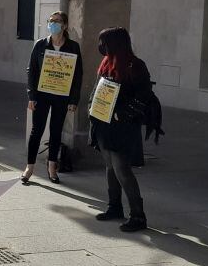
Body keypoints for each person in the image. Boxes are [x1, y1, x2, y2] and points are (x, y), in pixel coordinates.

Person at [90, 27, 151, 232]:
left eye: (104, 42)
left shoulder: (136, 66)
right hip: (104, 124)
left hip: (122, 126)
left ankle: (138, 216)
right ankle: (114, 207)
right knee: (109, 166)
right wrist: (93, 107)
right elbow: (97, 89)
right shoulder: (106, 63)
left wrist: (123, 113)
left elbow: (144, 97)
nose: (101, 47)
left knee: (122, 169)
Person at [23, 12, 82, 184]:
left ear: (64, 26)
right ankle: (30, 167)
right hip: (41, 94)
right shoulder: (40, 45)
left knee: (56, 131)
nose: (52, 24)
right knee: (37, 131)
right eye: (50, 21)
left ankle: (52, 166)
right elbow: (31, 71)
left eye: (56, 21)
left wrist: (73, 100)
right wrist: (31, 96)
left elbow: (78, 75)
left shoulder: (73, 47)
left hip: (62, 95)